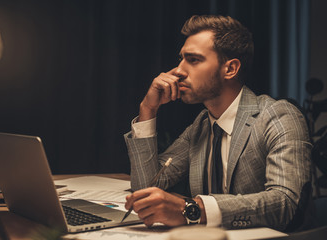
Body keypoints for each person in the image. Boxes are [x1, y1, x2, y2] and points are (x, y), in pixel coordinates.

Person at [124, 15, 312, 231]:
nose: (178, 71)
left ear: (230, 69)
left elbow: (285, 203)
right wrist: (148, 110)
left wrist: (193, 209)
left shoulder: (278, 117)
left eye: (193, 60)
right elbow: (146, 188)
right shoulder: (202, 125)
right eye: (181, 58)